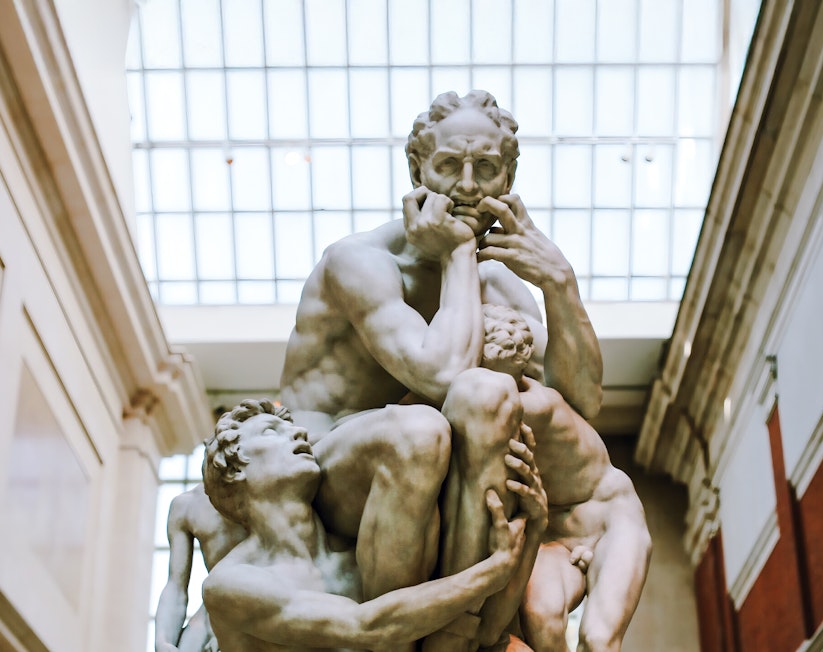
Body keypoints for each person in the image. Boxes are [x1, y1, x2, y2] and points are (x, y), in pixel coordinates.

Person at [277, 90, 604, 650]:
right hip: (329, 477)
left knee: (488, 395)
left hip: (436, 482)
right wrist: (457, 254)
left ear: (508, 178)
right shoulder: (361, 262)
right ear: (417, 171)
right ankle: (393, 640)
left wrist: (560, 284)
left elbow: (580, 404)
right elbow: (441, 373)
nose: (468, 185)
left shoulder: (498, 281)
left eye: (487, 167)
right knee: (419, 430)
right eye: (450, 165)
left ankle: (456, 638)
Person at [199, 398, 546, 652]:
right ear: (235, 468)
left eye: (292, 427)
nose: (298, 433)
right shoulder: (232, 583)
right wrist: (492, 571)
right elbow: (368, 627)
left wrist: (534, 527)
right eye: (271, 431)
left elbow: (486, 629)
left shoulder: (362, 554)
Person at [479, 304, 652, 652]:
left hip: (608, 521)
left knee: (599, 640)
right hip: (552, 537)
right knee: (539, 616)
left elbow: (463, 403)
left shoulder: (538, 404)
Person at [154, 483, 247, 652]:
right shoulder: (187, 505)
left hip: (263, 601)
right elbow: (176, 586)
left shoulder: (267, 491)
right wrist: (163, 641)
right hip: (214, 609)